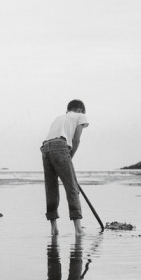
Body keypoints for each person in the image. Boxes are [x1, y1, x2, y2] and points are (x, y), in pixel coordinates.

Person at [41, 100, 89, 237]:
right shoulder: (80, 116)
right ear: (80, 110)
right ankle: (78, 230)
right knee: (72, 188)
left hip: (45, 148)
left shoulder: (59, 118)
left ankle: (54, 228)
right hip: (60, 147)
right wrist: (69, 157)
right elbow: (76, 140)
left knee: (51, 189)